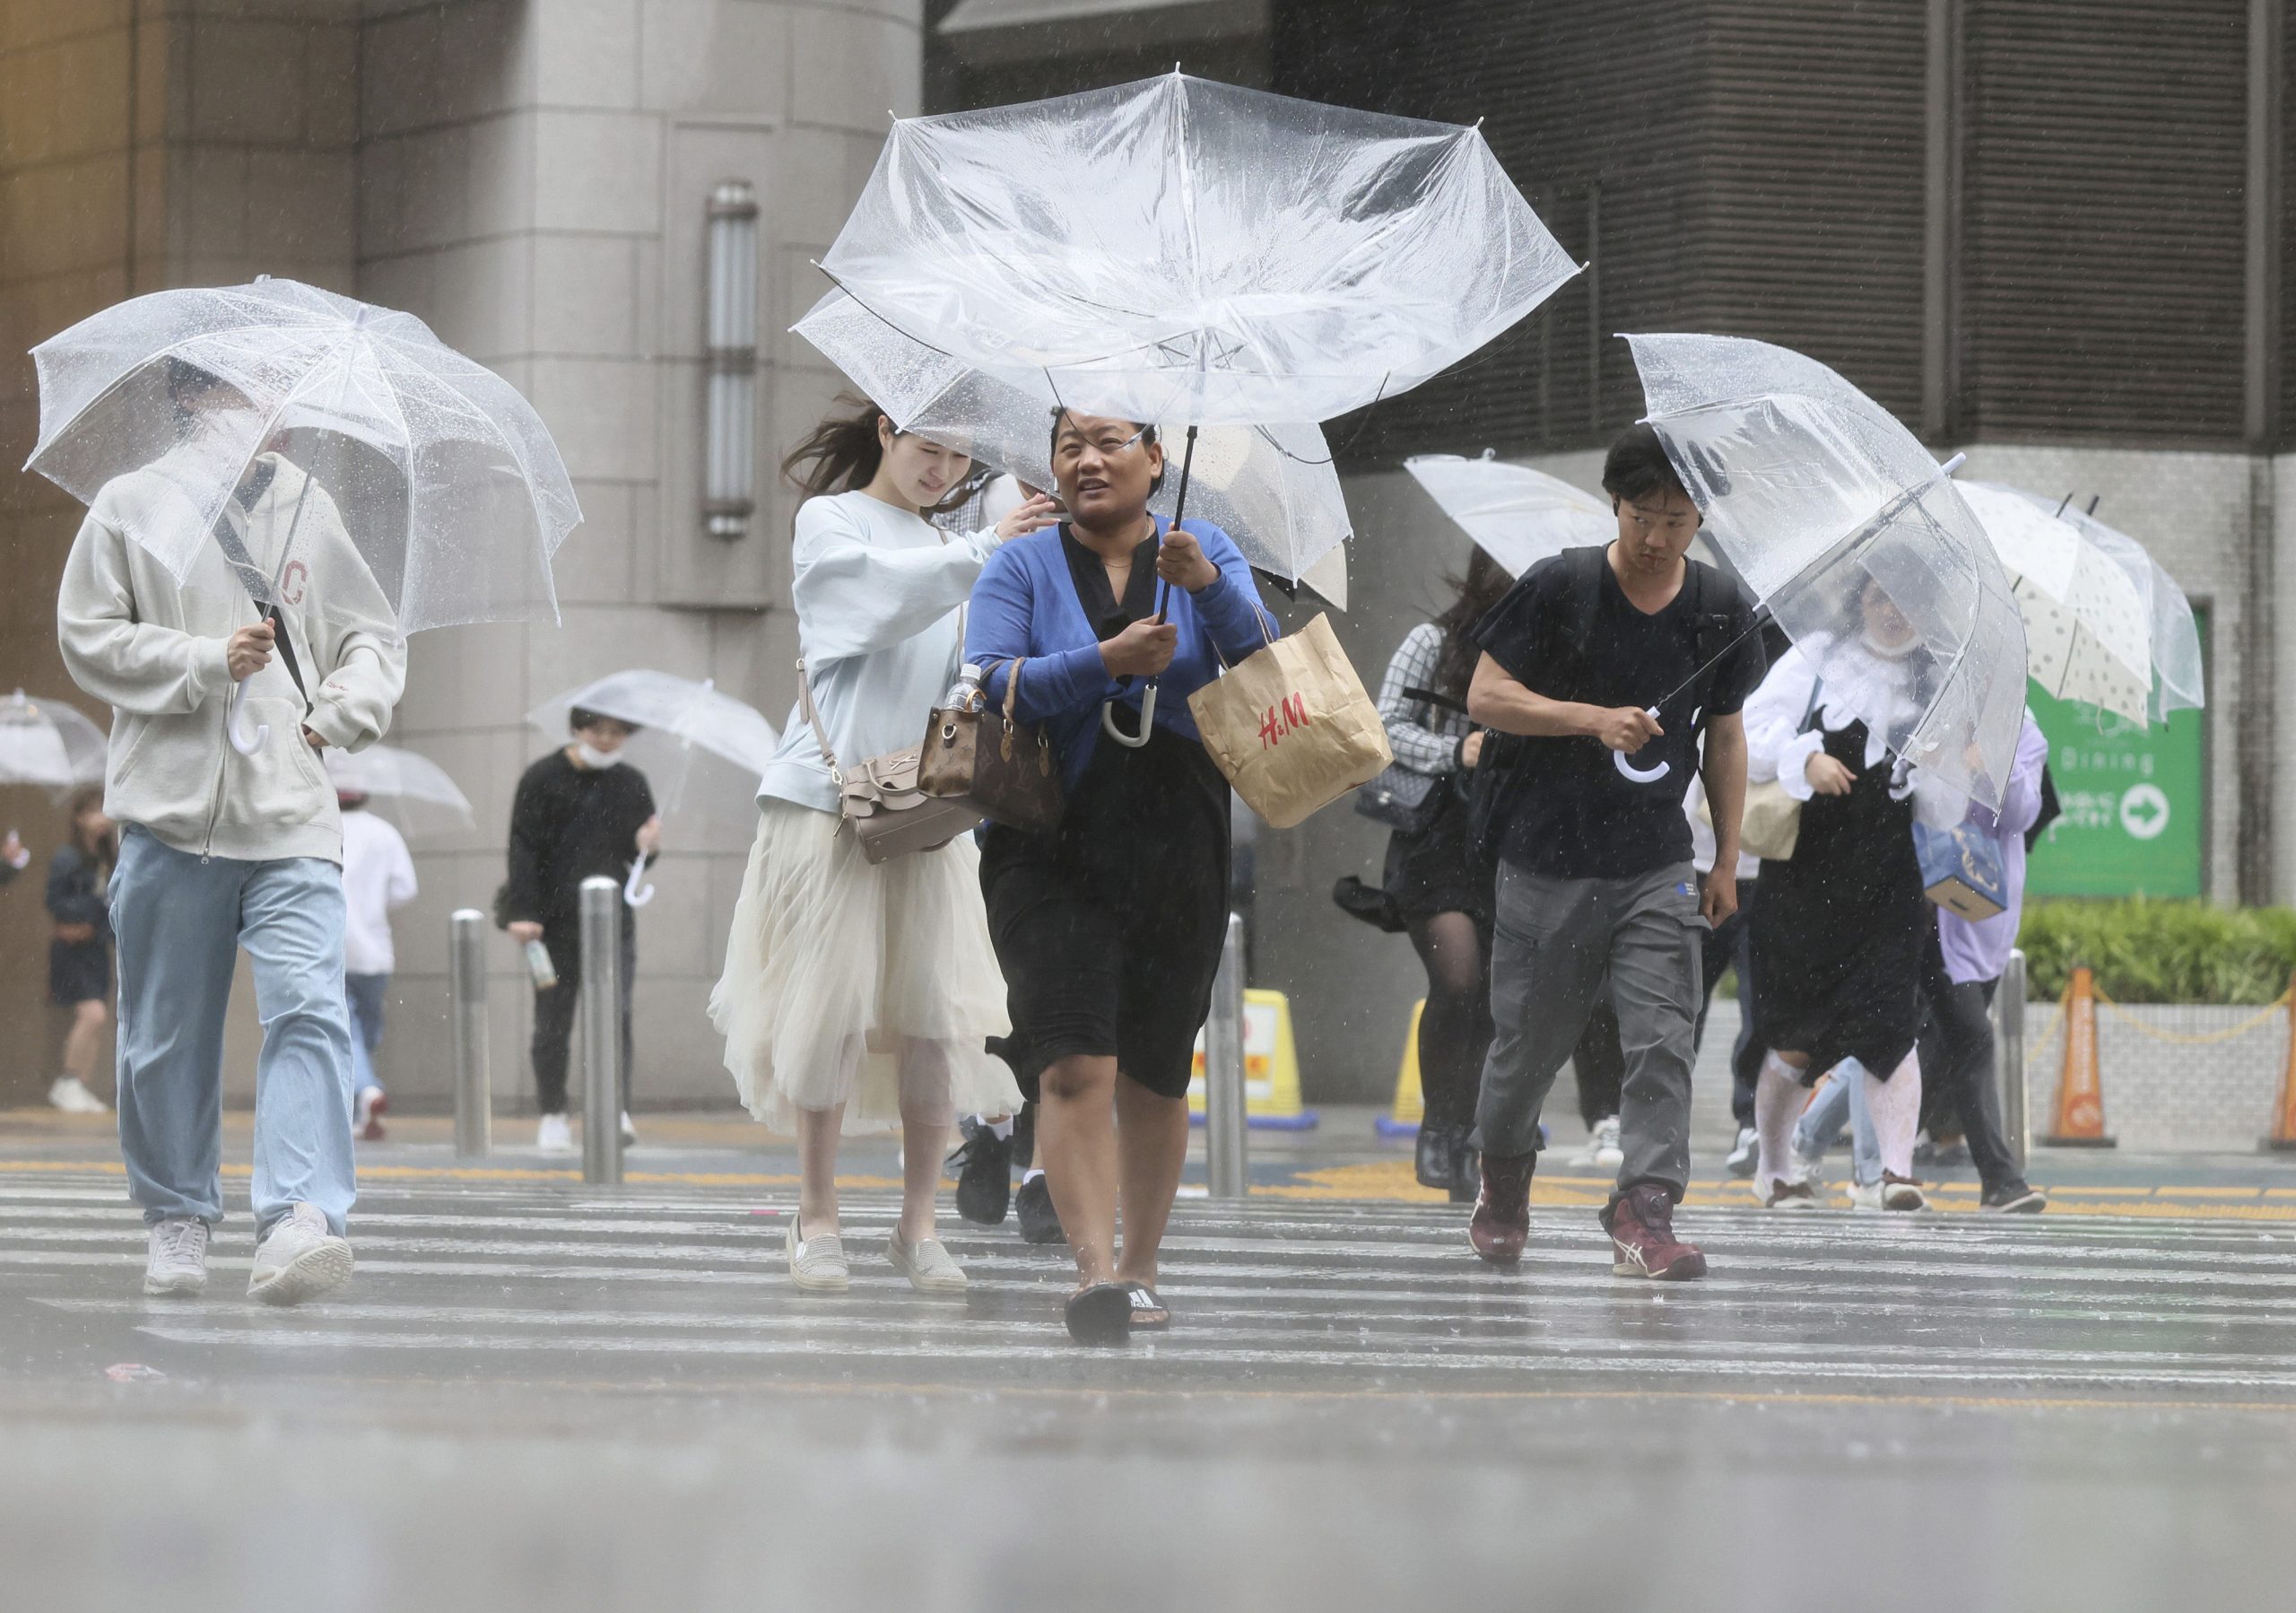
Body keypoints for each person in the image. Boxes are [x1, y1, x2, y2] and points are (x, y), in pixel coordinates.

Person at [57, 362, 406, 1304]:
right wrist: (203, 659)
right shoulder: (133, 504)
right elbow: (86, 635)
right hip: (170, 818)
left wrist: (345, 705)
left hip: (291, 812)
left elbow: (371, 636)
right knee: (166, 1034)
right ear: (192, 400)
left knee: (308, 1011)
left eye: (279, 392)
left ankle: (299, 1216)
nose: (275, 410)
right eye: (251, 391)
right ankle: (177, 1214)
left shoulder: (307, 507)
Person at [713, 396, 1054, 1296]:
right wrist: (987, 552)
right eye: (926, 447)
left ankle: (916, 1226)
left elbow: (956, 667)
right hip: (824, 799)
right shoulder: (831, 522)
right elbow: (862, 610)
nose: (940, 470)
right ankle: (816, 1214)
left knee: (934, 1020)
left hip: (924, 806)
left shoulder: (962, 552)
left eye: (956, 458)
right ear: (885, 435)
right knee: (826, 1013)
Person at [970, 409, 1280, 1344]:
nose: (1087, 461)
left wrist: (1209, 589)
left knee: (1152, 1070)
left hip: (1175, 833)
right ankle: (1092, 1271)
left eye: (1110, 444)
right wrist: (1100, 663)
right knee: (1072, 1060)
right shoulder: (1020, 561)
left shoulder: (1203, 545)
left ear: (1156, 459)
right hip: (1045, 835)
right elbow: (990, 680)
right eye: (1069, 445)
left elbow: (1263, 658)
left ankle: (1140, 1268)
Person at [1462, 425, 1764, 1280]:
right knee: (1526, 1049)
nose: (1657, 538)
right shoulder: (1561, 585)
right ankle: (1505, 1178)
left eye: (1677, 519)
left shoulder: (1718, 608)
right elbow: (1487, 694)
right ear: (1615, 503)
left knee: (1663, 1035)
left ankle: (1647, 1206)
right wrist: (1592, 719)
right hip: (1543, 858)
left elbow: (1728, 739)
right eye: (1642, 516)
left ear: (1702, 518)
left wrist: (1724, 859)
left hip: (1656, 863)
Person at [1741, 577, 1969, 1211]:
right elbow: (1749, 734)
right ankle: (1775, 1168)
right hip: (1804, 882)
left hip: (1890, 884)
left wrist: (1938, 761)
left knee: (1891, 1021)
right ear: (1860, 599)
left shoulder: (1938, 684)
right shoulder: (1817, 655)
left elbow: (1944, 812)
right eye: (1881, 597)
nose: (1894, 611)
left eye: (1910, 599)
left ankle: (1897, 1174)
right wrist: (1802, 757)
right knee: (1796, 1032)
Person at [1370, 549, 1511, 1199]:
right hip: (1434, 839)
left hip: (1505, 845)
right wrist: (1456, 748)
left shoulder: (1541, 659)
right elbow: (1381, 726)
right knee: (1457, 980)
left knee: (1490, 998)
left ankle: (1469, 1139)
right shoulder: (1432, 641)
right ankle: (1438, 1127)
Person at [504, 710, 660, 1154]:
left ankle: (615, 1108)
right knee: (553, 1020)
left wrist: (649, 847)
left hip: (614, 920)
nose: (608, 740)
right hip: (551, 923)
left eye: (617, 732)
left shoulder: (632, 782)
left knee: (617, 1015)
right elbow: (522, 846)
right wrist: (523, 911)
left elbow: (638, 860)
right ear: (577, 729)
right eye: (599, 730)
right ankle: (553, 1112)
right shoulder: (542, 777)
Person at [1917, 709, 2049, 1213]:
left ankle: (1847, 1149)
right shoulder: (1925, 704)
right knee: (1972, 1037)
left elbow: (2020, 814)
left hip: (1982, 913)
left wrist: (1990, 763)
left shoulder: (2023, 728)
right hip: (1924, 908)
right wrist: (1939, 763)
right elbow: (1912, 803)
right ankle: (2001, 1178)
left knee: (1935, 1047)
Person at [338, 789, 416, 1142]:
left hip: (334, 946)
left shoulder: (322, 827)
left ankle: (365, 1092)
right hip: (375, 950)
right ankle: (366, 1098)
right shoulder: (384, 832)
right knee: (367, 1028)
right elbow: (404, 889)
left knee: (349, 1030)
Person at [44, 788, 116, 1114]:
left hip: (97, 948)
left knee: (97, 1018)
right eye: (93, 810)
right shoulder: (68, 858)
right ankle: (69, 1081)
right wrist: (90, 907)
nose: (102, 817)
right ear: (79, 817)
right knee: (92, 1014)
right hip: (73, 948)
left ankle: (78, 1085)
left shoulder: (106, 858)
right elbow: (54, 901)